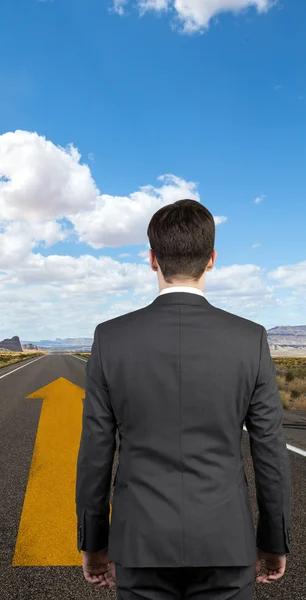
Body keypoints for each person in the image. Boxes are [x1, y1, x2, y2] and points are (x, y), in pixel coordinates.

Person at [75, 199, 292, 599]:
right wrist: (274, 540)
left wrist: (93, 543)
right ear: (211, 259)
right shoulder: (250, 339)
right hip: (225, 541)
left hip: (139, 544)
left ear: (152, 259)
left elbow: (95, 453)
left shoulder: (110, 338)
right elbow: (270, 453)